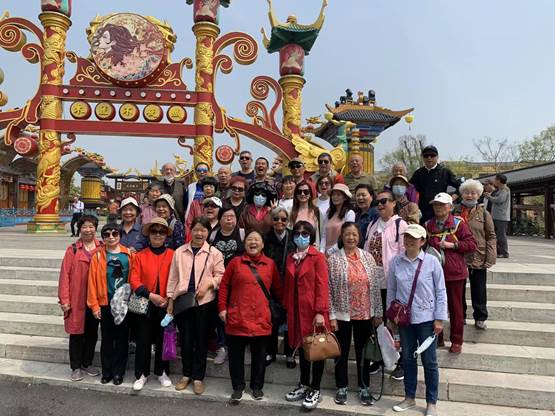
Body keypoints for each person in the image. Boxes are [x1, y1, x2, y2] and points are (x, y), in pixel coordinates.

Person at [387, 224, 447, 416]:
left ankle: (431, 402)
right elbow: (392, 290)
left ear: (422, 241)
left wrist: (439, 318)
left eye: (414, 238)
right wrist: (391, 315)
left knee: (430, 361)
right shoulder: (396, 262)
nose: (409, 241)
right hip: (405, 321)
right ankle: (409, 397)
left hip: (427, 319)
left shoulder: (432, 262)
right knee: (408, 358)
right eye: (407, 237)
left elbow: (440, 291)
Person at [218, 230, 283, 404]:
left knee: (259, 356)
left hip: (261, 318)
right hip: (237, 316)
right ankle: (238, 387)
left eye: (257, 239)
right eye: (249, 239)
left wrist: (281, 310)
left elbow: (278, 290)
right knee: (236, 356)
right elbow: (224, 286)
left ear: (262, 245)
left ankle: (257, 386)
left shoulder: (270, 264)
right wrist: (222, 308)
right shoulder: (235, 262)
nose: (253, 242)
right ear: (244, 243)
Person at [166, 217, 225, 395]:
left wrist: (209, 284)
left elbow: (221, 276)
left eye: (203, 230)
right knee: (185, 339)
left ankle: (198, 377)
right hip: (183, 302)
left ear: (208, 232)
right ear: (190, 231)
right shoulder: (179, 252)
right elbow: (173, 278)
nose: (199, 233)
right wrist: (170, 301)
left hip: (204, 303)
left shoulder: (214, 253)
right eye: (196, 229)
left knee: (201, 340)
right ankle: (186, 374)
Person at [328, 222, 382, 406]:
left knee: (363, 352)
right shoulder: (333, 259)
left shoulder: (368, 257)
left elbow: (375, 287)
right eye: (347, 234)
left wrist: (378, 312)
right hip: (342, 314)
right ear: (341, 237)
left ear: (359, 237)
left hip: (365, 313)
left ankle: (364, 387)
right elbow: (328, 290)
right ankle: (341, 386)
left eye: (354, 234)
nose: (351, 237)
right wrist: (331, 315)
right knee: (341, 352)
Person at [283, 221, 329, 411]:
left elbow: (322, 285)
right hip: (296, 311)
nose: (300, 237)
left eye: (305, 234)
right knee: (302, 348)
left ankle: (315, 388)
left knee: (317, 349)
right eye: (297, 233)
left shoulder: (317, 257)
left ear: (311, 236)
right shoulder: (291, 257)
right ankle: (303, 383)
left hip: (313, 311)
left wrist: (320, 311)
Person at [426, 192, 477, 354]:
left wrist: (453, 245)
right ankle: (438, 338)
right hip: (434, 273)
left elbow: (471, 244)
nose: (438, 208)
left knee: (456, 308)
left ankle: (456, 340)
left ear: (450, 207)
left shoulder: (458, 223)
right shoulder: (428, 224)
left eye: (442, 205)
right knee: (434, 307)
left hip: (454, 273)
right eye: (436, 205)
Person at [364, 189, 408, 379]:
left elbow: (405, 253)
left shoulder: (400, 225)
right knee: (378, 321)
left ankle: (402, 361)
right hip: (375, 282)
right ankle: (380, 357)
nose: (380, 205)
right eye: (378, 202)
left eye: (384, 201)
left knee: (396, 321)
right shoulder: (372, 225)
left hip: (393, 282)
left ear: (393, 203)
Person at [129, 217, 174, 391]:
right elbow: (134, 280)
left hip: (166, 303)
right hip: (146, 302)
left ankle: (162, 371)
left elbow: (177, 278)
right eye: (154, 231)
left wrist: (169, 299)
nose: (157, 235)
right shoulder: (140, 256)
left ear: (166, 235)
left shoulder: (173, 255)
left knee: (163, 339)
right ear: (148, 234)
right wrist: (151, 295)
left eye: (161, 232)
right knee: (143, 340)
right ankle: (142, 373)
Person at [87, 223, 134, 385]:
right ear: (103, 238)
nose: (111, 237)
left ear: (120, 235)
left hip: (123, 303)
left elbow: (133, 278)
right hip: (105, 303)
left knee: (122, 339)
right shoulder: (98, 256)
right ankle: (107, 372)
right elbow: (92, 283)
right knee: (107, 339)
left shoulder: (128, 255)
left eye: (115, 233)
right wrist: (94, 306)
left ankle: (118, 372)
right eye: (107, 234)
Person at [58, 214, 102, 381]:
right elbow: (64, 276)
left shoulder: (102, 248)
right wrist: (64, 299)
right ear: (79, 228)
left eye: (91, 226)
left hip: (95, 299)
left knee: (92, 332)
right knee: (76, 333)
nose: (88, 230)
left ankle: (86, 363)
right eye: (84, 227)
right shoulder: (73, 249)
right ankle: (75, 366)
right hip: (77, 298)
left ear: (95, 228)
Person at [454, 179, 496, 330]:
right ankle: (460, 316)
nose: (469, 195)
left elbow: (491, 236)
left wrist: (491, 256)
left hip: (478, 255)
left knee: (479, 289)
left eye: (473, 193)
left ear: (478, 195)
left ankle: (480, 317)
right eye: (466, 192)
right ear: (462, 194)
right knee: (458, 289)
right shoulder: (454, 212)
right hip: (458, 255)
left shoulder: (484, 213)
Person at [208, 205, 246, 366]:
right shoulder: (213, 235)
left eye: (232, 216)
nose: (229, 219)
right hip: (218, 281)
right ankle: (222, 346)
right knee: (219, 314)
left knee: (236, 313)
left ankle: (238, 346)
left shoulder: (242, 234)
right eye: (225, 216)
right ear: (220, 219)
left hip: (238, 282)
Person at [263, 207, 296, 367]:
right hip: (271, 285)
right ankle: (271, 352)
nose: (279, 222)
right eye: (276, 219)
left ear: (288, 221)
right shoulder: (265, 237)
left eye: (283, 219)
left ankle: (290, 354)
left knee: (290, 320)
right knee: (272, 318)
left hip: (290, 284)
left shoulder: (293, 237)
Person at [409, 145, 461, 224]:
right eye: (426, 156)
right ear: (423, 158)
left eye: (432, 155)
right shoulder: (418, 173)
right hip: (422, 213)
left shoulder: (445, 172)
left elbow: (461, 186)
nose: (429, 158)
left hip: (440, 211)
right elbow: (409, 189)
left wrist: (451, 198)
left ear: (437, 157)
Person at [321, 184, 355, 253]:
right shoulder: (328, 213)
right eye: (333, 195)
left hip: (341, 252)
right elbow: (324, 235)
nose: (335, 197)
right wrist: (321, 251)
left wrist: (330, 251)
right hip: (326, 252)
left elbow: (347, 235)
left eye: (338, 195)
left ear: (345, 198)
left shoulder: (349, 213)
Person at [484, 173, 511, 259]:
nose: (494, 181)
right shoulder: (500, 189)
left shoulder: (505, 189)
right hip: (496, 215)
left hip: (501, 216)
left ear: (499, 181)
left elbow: (500, 200)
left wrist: (489, 197)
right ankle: (498, 251)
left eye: (495, 179)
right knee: (496, 235)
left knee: (501, 235)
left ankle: (504, 252)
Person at [354, 184, 378, 248]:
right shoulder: (356, 215)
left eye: (363, 195)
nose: (360, 198)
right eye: (358, 195)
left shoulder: (376, 213)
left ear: (371, 197)